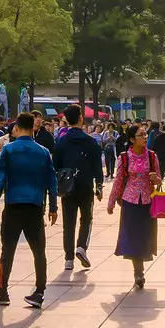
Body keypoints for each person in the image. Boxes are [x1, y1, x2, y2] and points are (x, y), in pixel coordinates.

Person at [0, 111, 54, 309]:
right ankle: (39, 291)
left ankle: (2, 291)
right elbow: (51, 180)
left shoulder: (8, 149)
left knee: (7, 249)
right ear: (33, 127)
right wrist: (53, 206)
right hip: (35, 206)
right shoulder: (43, 152)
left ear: (17, 127)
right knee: (39, 251)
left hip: (14, 204)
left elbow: (0, 178)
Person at [105, 118, 161, 290]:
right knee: (132, 235)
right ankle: (138, 272)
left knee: (144, 235)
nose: (145, 137)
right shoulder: (124, 157)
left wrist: (155, 178)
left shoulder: (152, 156)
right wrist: (112, 201)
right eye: (141, 135)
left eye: (145, 134)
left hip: (147, 201)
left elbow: (159, 180)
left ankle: (140, 268)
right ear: (131, 139)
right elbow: (119, 180)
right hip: (129, 201)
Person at [53, 104, 104, 272]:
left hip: (67, 187)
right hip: (86, 184)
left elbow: (56, 165)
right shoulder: (90, 141)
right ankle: (81, 247)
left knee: (68, 222)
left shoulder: (61, 141)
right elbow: (97, 165)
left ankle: (68, 259)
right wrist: (99, 184)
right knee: (86, 218)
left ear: (66, 120)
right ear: (81, 118)